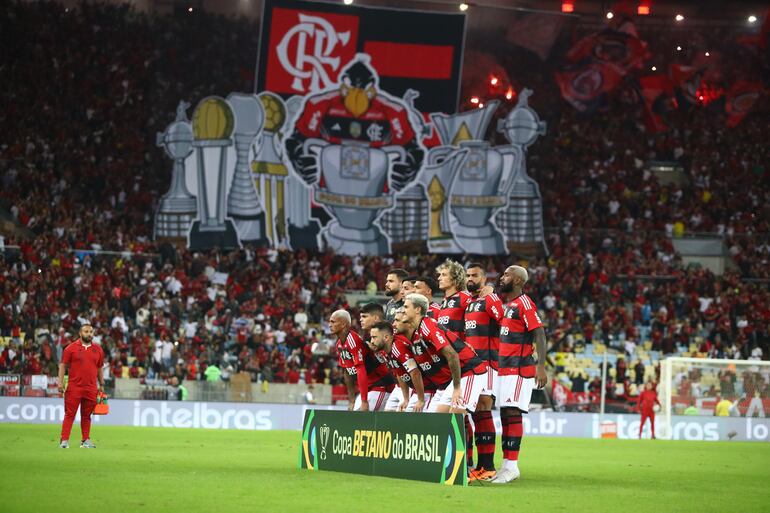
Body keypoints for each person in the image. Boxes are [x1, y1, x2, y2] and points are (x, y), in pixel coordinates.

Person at [493, 265, 548, 483]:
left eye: (506, 274)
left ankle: (512, 466)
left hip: (518, 368)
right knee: (506, 415)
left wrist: (541, 366)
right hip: (505, 369)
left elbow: (540, 334)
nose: (502, 276)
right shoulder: (509, 305)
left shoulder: (525, 304)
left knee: (512, 413)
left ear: (517, 281)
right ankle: (506, 465)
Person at [401, 293, 487, 415]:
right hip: (460, 375)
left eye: (406, 307)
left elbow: (452, 355)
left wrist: (457, 389)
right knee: (439, 419)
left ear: (417, 309)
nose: (403, 310)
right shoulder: (421, 329)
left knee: (455, 416)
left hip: (471, 371)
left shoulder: (428, 327)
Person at [464, 262, 505, 481]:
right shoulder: (470, 301)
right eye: (468, 275)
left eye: (475, 275)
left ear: (485, 279)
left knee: (482, 408)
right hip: (473, 364)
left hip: (488, 363)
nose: (471, 278)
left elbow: (505, 321)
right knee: (477, 411)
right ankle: (481, 466)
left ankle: (487, 466)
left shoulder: (490, 299)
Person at [329, 309, 394, 411]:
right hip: (369, 389)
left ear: (343, 324)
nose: (329, 325)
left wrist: (364, 401)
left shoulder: (353, 341)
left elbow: (361, 370)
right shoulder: (339, 345)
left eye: (333, 322)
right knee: (356, 418)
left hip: (381, 386)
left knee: (359, 417)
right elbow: (347, 372)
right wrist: (351, 400)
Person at [58, 323, 104, 449]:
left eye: (91, 332)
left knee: (86, 415)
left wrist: (102, 384)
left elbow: (100, 367)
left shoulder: (98, 349)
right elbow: (63, 366)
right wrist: (60, 382)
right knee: (70, 414)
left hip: (91, 388)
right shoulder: (70, 348)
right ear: (80, 333)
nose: (89, 334)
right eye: (86, 331)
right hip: (74, 387)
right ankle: (64, 440)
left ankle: (85, 440)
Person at [369, 319, 427, 412]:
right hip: (409, 387)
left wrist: (420, 400)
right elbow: (400, 373)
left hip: (423, 387)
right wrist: (406, 398)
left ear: (386, 337)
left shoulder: (398, 347)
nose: (371, 341)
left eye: (374, 337)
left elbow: (415, 373)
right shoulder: (384, 351)